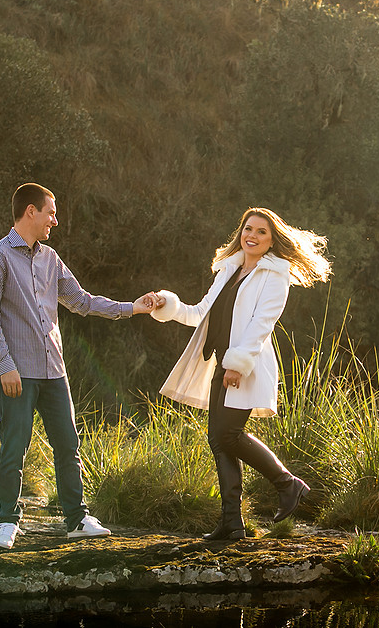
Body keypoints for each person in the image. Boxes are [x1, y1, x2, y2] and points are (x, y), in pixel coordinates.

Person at [0, 182, 158, 549]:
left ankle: (76, 519)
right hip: (16, 371)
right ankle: (8, 522)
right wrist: (5, 364)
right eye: (51, 213)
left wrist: (133, 307)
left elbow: (82, 301)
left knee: (68, 444)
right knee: (14, 446)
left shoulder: (50, 258)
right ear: (31, 211)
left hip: (53, 370)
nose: (54, 221)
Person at [150, 207, 332, 540]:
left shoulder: (275, 276)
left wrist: (236, 364)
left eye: (262, 232)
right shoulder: (228, 269)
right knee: (220, 440)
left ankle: (288, 484)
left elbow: (262, 324)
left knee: (228, 435)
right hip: (222, 364)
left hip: (243, 366)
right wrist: (165, 303)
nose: (253, 235)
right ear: (241, 232)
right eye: (249, 229)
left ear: (272, 239)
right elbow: (200, 313)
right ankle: (232, 522)